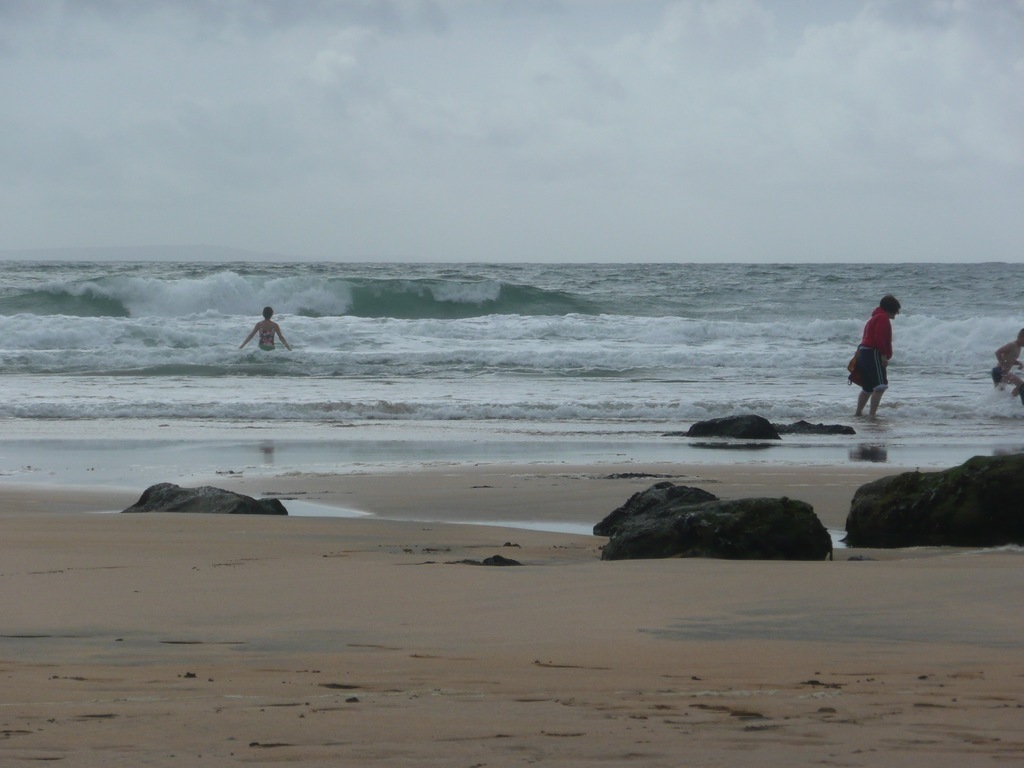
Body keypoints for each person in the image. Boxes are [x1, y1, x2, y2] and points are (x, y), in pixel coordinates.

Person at [854, 294, 901, 417]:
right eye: (896, 311)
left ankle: (858, 413)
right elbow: (880, 337)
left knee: (868, 387)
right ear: (891, 309)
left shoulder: (874, 317)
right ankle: (872, 415)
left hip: (864, 352)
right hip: (873, 353)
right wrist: (883, 355)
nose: (896, 314)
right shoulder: (882, 318)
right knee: (880, 386)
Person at [991, 329, 1024, 404]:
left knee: (1000, 394)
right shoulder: (1012, 345)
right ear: (1021, 337)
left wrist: (1018, 363)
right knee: (1021, 385)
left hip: (1002, 372)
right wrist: (1002, 365)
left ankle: (1009, 402)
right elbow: (998, 352)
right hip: (999, 371)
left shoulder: (1019, 347)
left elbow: (1009, 359)